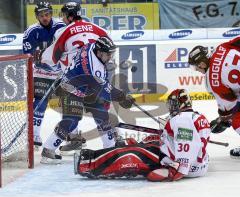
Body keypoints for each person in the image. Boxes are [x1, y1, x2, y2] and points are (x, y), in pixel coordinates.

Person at [40, 2, 118, 164]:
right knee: (101, 113)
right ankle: (112, 144)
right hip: (91, 77)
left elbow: (51, 58)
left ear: (69, 16)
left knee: (72, 118)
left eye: (63, 16)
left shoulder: (63, 31)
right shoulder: (97, 29)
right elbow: (109, 52)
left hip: (73, 79)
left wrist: (53, 64)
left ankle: (49, 150)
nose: (62, 19)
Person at [75, 89, 210, 181]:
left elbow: (184, 145)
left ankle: (88, 163)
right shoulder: (196, 117)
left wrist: (174, 171)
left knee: (133, 153)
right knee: (150, 140)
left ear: (179, 104)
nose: (171, 107)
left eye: (173, 104)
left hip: (181, 166)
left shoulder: (182, 119)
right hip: (199, 164)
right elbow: (192, 143)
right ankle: (143, 146)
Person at [22, 1, 65, 147]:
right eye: (41, 15)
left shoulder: (61, 27)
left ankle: (72, 133)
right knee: (40, 102)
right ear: (37, 16)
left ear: (51, 14)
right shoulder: (31, 31)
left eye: (47, 14)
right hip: (42, 73)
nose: (44, 17)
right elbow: (28, 57)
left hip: (61, 71)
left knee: (68, 101)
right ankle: (34, 135)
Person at [188, 39, 240, 159]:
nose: (197, 70)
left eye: (196, 67)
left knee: (236, 119)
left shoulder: (211, 80)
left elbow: (229, 107)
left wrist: (223, 120)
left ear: (201, 64)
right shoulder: (222, 47)